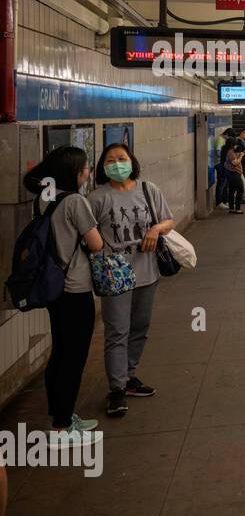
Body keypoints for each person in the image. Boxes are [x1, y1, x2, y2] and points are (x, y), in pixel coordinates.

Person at [22, 146, 105, 441]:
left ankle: (61, 414)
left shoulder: (44, 200)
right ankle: (61, 427)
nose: (87, 172)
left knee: (60, 352)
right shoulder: (75, 202)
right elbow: (96, 244)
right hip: (74, 288)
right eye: (84, 168)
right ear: (74, 172)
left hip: (53, 288)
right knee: (74, 356)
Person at [89, 143, 175, 417]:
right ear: (103, 166)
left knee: (140, 326)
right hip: (115, 276)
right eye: (111, 160)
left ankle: (128, 377)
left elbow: (168, 221)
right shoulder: (97, 198)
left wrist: (155, 229)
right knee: (117, 332)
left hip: (147, 272)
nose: (117, 164)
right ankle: (116, 389)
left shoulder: (149, 190)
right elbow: (87, 234)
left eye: (121, 158)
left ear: (132, 161)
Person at [224, 143, 245, 212]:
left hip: (232, 173)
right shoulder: (231, 152)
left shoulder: (230, 151)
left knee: (232, 190)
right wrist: (241, 156)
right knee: (240, 190)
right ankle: (237, 208)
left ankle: (231, 208)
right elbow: (235, 163)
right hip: (234, 173)